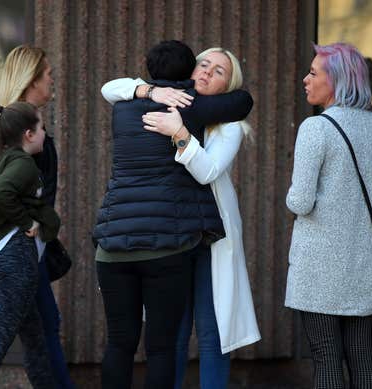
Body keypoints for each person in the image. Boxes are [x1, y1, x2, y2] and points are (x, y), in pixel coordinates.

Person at [93, 40, 254, 389]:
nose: (208, 72)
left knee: (211, 333)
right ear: (189, 69)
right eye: (203, 65)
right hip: (171, 236)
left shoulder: (227, 124)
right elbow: (110, 88)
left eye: (219, 71)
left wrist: (180, 133)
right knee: (172, 334)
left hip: (209, 236)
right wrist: (149, 90)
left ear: (227, 84)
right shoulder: (162, 99)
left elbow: (208, 170)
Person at [0, 45, 75, 389]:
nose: (53, 80)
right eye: (48, 74)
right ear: (32, 80)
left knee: (30, 329)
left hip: (11, 249)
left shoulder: (0, 122)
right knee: (12, 334)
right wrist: (32, 226)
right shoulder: (20, 133)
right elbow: (6, 194)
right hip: (19, 250)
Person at [284, 42, 372, 389]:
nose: (305, 79)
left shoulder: (316, 128)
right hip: (363, 259)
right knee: (361, 355)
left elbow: (300, 202)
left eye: (314, 73)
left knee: (327, 355)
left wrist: (293, 195)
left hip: (319, 263)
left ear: (338, 81)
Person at [0, 101, 60, 388]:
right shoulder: (22, 164)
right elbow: (0, 192)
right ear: (29, 135)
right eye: (42, 127)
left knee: (35, 340)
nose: (45, 133)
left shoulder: (4, 158)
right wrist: (27, 223)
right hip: (14, 263)